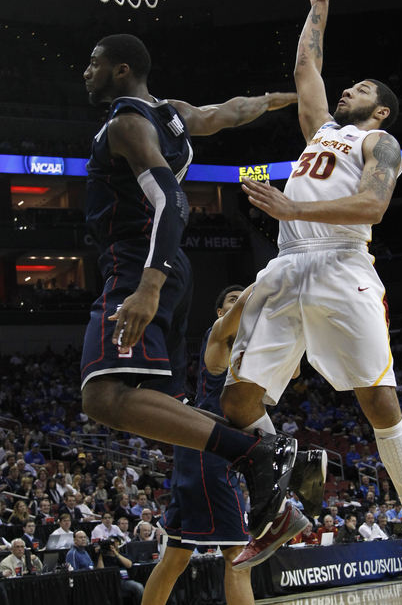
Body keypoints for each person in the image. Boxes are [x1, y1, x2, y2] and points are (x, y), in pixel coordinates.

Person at [220, 0, 402, 598]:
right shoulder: (320, 130)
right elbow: (306, 66)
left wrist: (295, 207)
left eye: (358, 90)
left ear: (379, 111)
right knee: (237, 406)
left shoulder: (381, 146)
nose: (343, 92)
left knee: (379, 403)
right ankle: (279, 503)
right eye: (343, 88)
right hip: (287, 269)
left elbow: (373, 209)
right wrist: (322, 0)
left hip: (343, 266)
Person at [78, 33, 303, 543]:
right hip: (169, 266)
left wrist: (148, 285)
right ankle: (264, 452)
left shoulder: (129, 124)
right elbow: (234, 110)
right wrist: (290, 98)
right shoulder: (172, 114)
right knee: (165, 407)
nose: (85, 72)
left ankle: (259, 454)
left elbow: (172, 202)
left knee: (103, 396)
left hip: (138, 263)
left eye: (94, 63)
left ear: (121, 70)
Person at [143, 284, 309, 605]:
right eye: (231, 301)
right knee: (237, 554)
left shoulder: (258, 343)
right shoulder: (218, 335)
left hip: (203, 449)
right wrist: (274, 279)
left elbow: (296, 370)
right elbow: (245, 303)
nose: (241, 303)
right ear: (222, 313)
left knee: (176, 557)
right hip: (211, 447)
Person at [96, 536, 144, 605]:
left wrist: (115, 553)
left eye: (114, 543)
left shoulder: (121, 555)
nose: (112, 545)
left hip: (123, 581)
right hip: (109, 583)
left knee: (139, 587)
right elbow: (100, 570)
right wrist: (100, 554)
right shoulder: (103, 558)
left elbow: (129, 565)